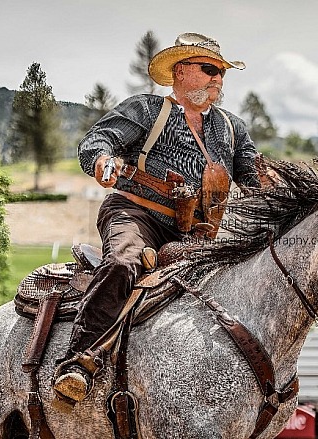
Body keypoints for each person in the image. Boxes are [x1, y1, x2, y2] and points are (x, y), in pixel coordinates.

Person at [52, 32, 261, 405]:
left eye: (222, 73)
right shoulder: (147, 110)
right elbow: (96, 140)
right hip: (138, 215)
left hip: (201, 234)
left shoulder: (232, 128)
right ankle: (78, 362)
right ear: (180, 71)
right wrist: (103, 159)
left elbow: (257, 177)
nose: (218, 79)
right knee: (123, 260)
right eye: (210, 69)